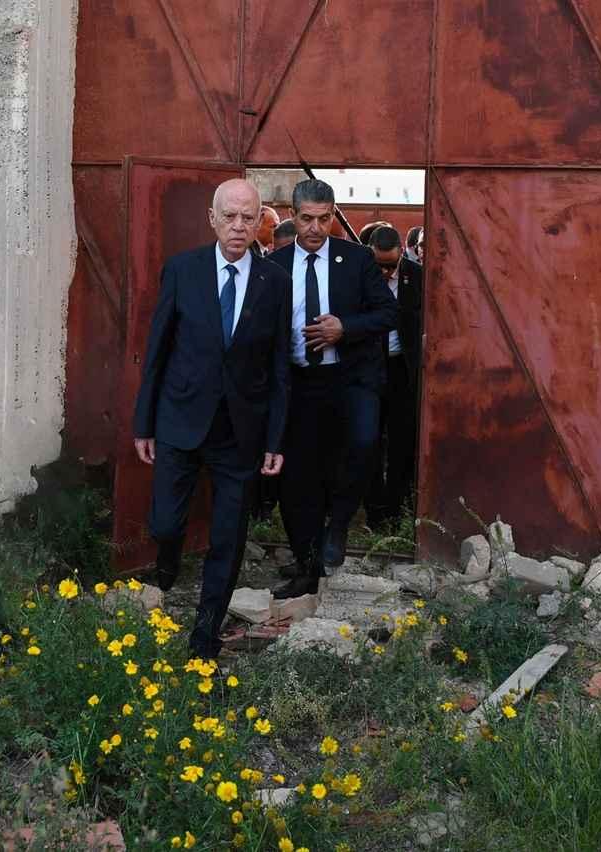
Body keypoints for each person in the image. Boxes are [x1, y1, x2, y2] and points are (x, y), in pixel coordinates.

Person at [132, 178, 292, 660]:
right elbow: (157, 351)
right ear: (213, 219)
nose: (239, 227)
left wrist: (274, 439)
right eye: (230, 217)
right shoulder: (182, 270)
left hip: (240, 432)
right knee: (165, 521)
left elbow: (281, 366)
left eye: (249, 217)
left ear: (260, 220)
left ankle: (205, 631)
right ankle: (166, 566)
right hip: (179, 420)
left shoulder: (274, 282)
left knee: (228, 536)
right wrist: (144, 423)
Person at [268, 179, 398, 598]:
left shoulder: (356, 259)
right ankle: (307, 568)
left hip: (351, 378)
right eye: (307, 219)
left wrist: (347, 327)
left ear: (332, 215)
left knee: (362, 446)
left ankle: (339, 524)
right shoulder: (275, 264)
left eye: (325, 218)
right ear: (293, 215)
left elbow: (388, 312)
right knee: (300, 478)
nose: (316, 228)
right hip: (300, 385)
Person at [363, 225, 423, 529]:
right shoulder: (360, 273)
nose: (386, 272)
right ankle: (373, 511)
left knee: (401, 441)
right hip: (368, 369)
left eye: (391, 265)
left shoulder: (416, 277)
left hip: (401, 370)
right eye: (379, 265)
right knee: (368, 440)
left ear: (402, 253)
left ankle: (395, 508)